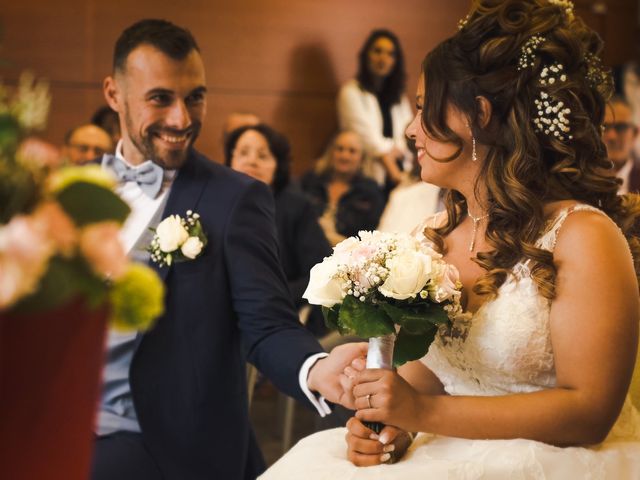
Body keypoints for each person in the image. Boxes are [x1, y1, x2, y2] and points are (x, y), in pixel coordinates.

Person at [261, 1, 640, 478]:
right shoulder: (431, 238)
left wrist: (423, 415)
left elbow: (589, 412)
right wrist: (393, 425)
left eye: (423, 109)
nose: (410, 130)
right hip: (449, 453)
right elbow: (432, 378)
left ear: (477, 115)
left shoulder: (580, 236)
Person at [92, 19, 366, 480]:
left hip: (156, 437)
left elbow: (267, 326)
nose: (182, 119)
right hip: (58, 413)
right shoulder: (71, 191)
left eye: (195, 97)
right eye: (160, 98)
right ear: (114, 95)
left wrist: (317, 368)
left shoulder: (234, 200)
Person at [225, 123, 332, 335]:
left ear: (277, 166)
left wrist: (273, 296)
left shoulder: (296, 207)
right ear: (230, 161)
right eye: (243, 153)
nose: (251, 161)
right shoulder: (214, 204)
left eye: (263, 156)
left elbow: (322, 271)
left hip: (280, 315)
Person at [337, 29, 413, 195]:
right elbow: (369, 140)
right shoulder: (351, 92)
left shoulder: (399, 97)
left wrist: (398, 151)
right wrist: (397, 176)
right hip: (368, 179)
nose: (383, 58)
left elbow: (409, 133)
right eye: (377, 51)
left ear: (396, 61)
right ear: (366, 55)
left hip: (402, 172)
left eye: (390, 54)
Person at [300, 130, 385, 246]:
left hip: (348, 258)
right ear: (331, 153)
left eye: (352, 151)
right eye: (339, 149)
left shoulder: (371, 192)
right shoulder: (310, 181)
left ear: (362, 158)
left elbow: (372, 238)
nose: (344, 156)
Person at [603, 96, 640, 193]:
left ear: (635, 134)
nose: (612, 136)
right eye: (604, 127)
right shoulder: (577, 181)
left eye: (621, 127)